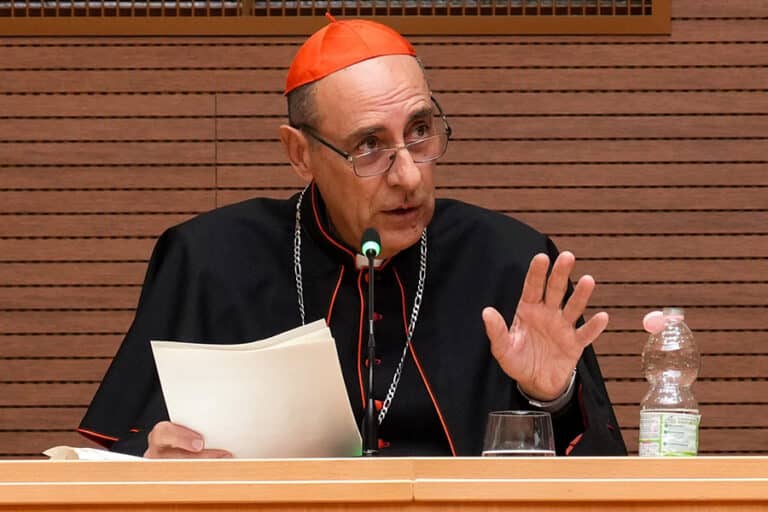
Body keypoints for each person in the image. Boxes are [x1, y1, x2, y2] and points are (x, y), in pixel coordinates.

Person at [78, 16, 627, 458]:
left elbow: (600, 473)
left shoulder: (512, 261)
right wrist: (156, 459)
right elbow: (119, 455)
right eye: (369, 145)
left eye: (420, 132)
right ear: (300, 153)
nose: (408, 175)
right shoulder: (209, 259)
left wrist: (551, 396)